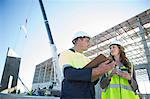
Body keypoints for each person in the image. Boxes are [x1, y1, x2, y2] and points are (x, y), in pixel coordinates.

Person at [59, 31, 116, 99]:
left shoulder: (87, 60)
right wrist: (98, 70)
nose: (89, 44)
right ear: (79, 40)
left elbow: (93, 81)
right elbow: (69, 74)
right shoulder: (66, 53)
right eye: (87, 41)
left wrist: (101, 71)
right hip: (72, 95)